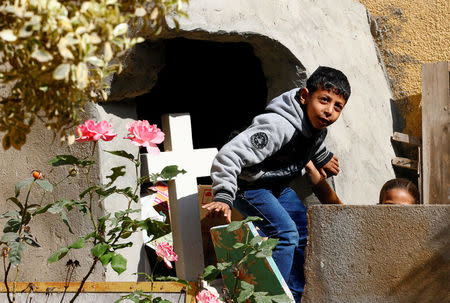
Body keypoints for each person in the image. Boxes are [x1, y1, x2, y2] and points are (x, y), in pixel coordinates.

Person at [202, 66, 351, 301]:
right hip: (249, 186)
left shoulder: (316, 125)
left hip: (276, 186)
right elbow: (229, 155)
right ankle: (272, 298)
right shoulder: (277, 126)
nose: (329, 111)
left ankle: (292, 295)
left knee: (305, 231)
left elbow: (310, 141)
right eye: (324, 100)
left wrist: (322, 157)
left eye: (337, 106)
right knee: (285, 233)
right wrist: (223, 196)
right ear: (304, 96)